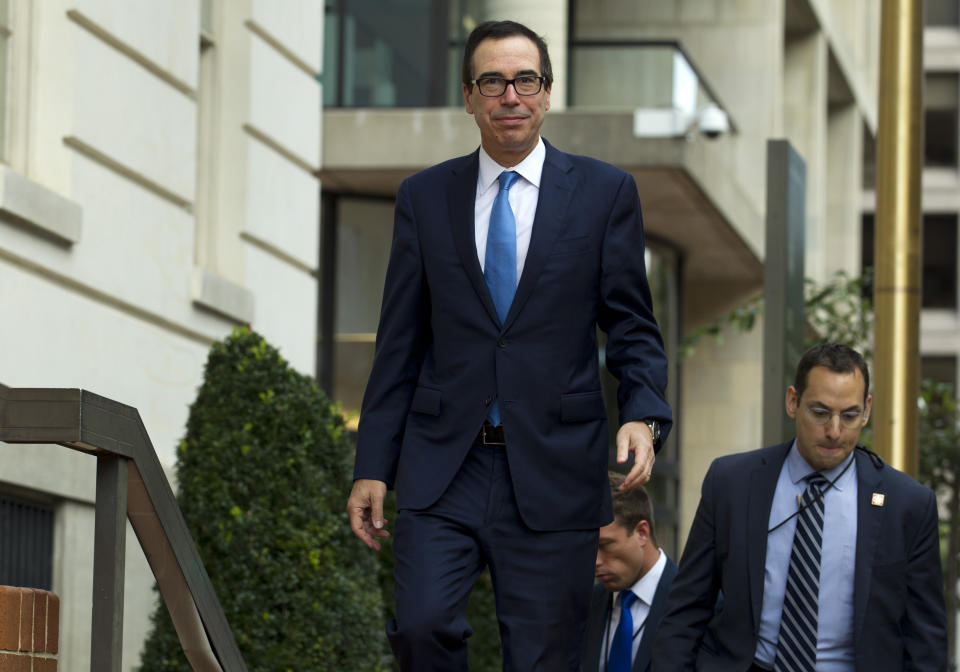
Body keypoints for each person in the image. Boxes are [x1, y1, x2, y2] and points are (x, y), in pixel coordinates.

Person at [345, 18, 672, 672]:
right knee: (420, 626)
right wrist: (372, 463)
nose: (510, 96)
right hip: (446, 465)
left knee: (543, 656)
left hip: (554, 467)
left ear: (547, 92)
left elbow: (631, 322)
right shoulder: (424, 198)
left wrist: (641, 412)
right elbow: (400, 344)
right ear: (469, 97)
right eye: (491, 81)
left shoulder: (605, 194)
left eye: (525, 80)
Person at [652, 343, 947, 671]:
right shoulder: (732, 483)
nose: (834, 431)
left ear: (867, 410)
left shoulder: (908, 504)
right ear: (793, 401)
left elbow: (925, 642)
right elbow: (686, 609)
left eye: (849, 415)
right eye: (820, 413)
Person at [582, 472, 678, 672]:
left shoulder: (696, 603)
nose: (595, 562)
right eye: (588, 550)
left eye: (606, 545)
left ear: (642, 533)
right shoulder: (587, 605)